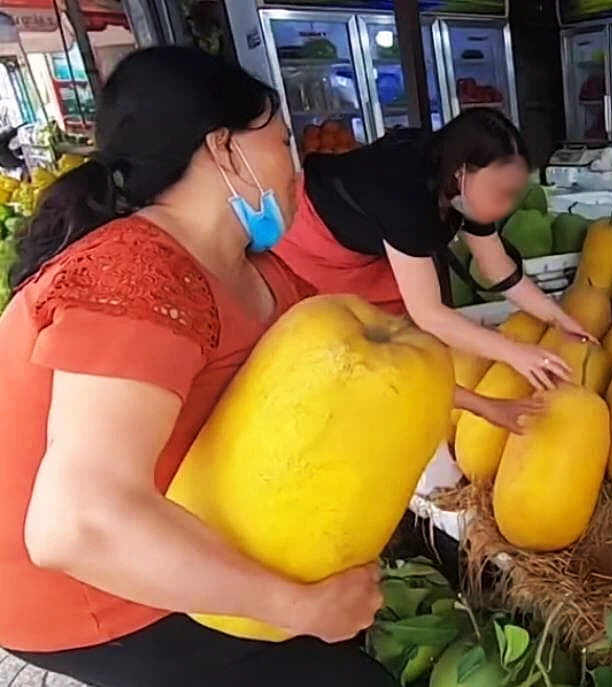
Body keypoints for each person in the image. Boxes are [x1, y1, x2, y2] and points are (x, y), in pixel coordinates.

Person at [0, 46, 396, 687]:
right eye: (283, 140)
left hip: (171, 536)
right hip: (95, 594)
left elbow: (355, 353)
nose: (299, 165)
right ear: (223, 149)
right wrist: (298, 607)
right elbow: (76, 527)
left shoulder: (254, 266)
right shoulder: (135, 275)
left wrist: (479, 405)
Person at [275, 109, 594, 407]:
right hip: (314, 239)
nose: (506, 204)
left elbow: (498, 269)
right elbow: (429, 313)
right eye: (499, 191)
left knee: (404, 339)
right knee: (357, 346)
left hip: (372, 239)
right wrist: (516, 354)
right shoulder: (407, 196)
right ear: (461, 174)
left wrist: (559, 318)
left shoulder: (465, 185)